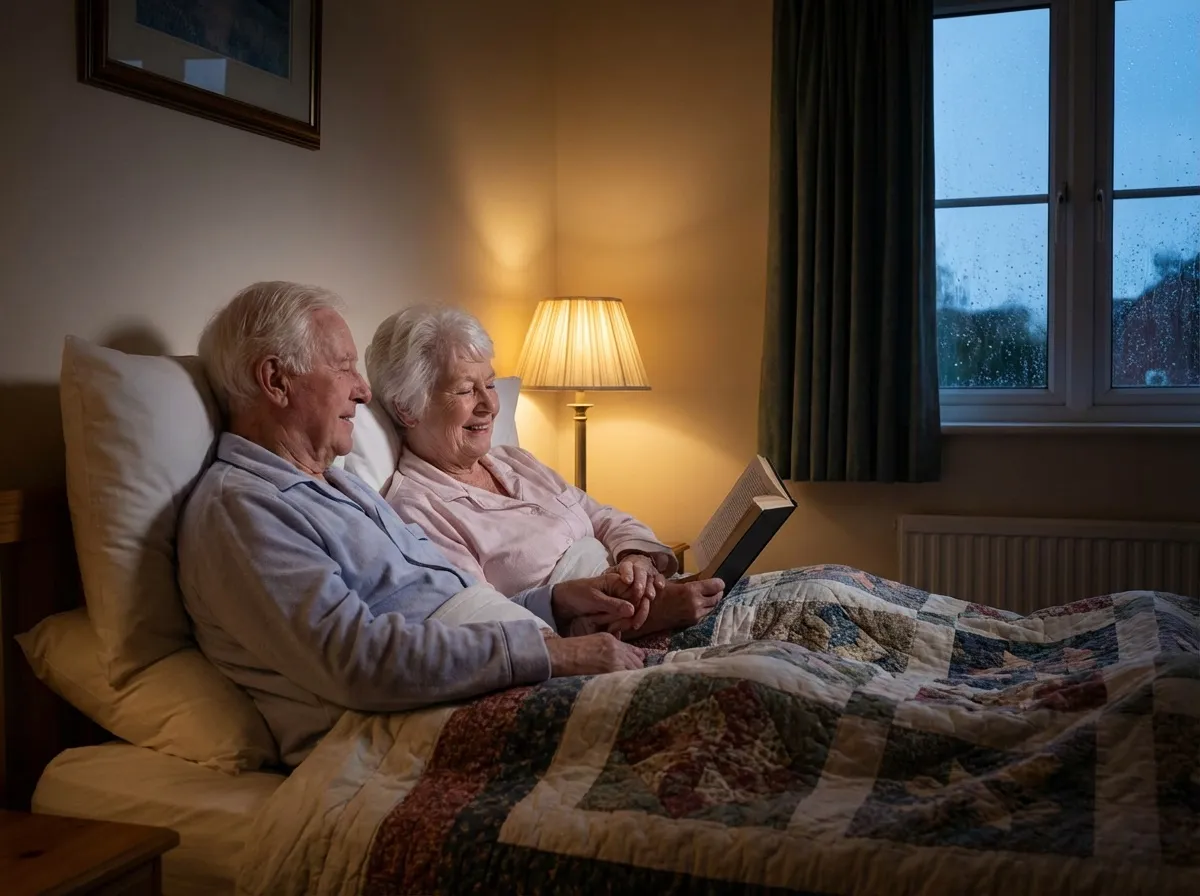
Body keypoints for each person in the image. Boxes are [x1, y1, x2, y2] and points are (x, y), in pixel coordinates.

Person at [178, 282, 651, 766]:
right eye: (343, 368)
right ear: (276, 381)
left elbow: (453, 599)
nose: (363, 391)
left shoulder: (338, 486)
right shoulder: (241, 511)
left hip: (493, 681)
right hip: (415, 728)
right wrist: (553, 655)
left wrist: (555, 605)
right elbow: (357, 661)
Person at [365, 306, 725, 635]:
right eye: (465, 391)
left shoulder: (514, 461)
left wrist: (636, 560)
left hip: (651, 599)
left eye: (489, 384)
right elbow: (483, 621)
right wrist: (641, 611)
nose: (490, 404)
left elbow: (604, 517)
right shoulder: (415, 511)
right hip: (609, 633)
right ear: (407, 409)